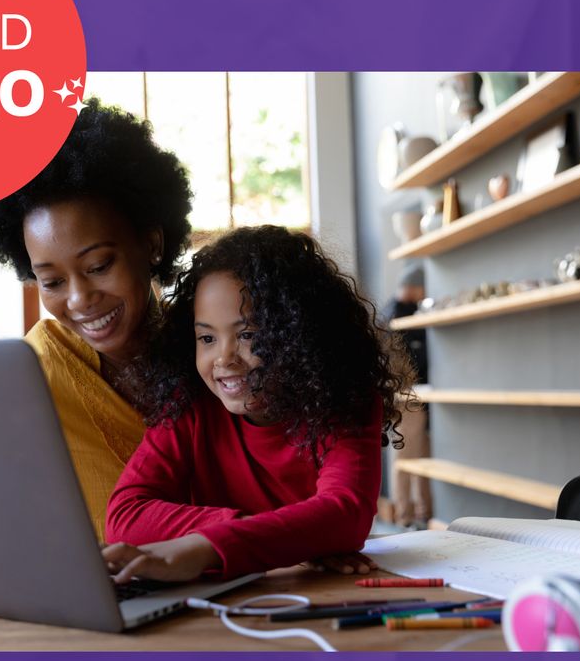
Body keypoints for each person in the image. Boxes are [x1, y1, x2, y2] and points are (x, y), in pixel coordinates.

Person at [102, 226, 414, 583]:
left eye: (248, 335)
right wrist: (286, 539)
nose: (224, 358)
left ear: (299, 334)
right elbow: (124, 519)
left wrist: (204, 548)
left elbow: (346, 514)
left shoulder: (344, 400)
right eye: (206, 337)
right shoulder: (187, 404)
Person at [0, 101, 193, 538]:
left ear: (151, 245)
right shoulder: (26, 378)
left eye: (99, 266)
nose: (80, 299)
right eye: (51, 282)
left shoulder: (211, 349)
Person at [383, 264, 432, 527]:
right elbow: (405, 364)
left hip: (410, 396)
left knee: (417, 457)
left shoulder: (396, 313)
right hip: (406, 397)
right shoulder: (398, 317)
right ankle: (405, 517)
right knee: (405, 459)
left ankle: (421, 513)